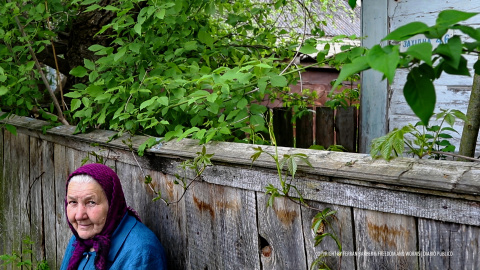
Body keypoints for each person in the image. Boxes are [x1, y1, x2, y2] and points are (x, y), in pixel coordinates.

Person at [60, 163, 167, 270]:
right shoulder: (80, 239)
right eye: (73, 202)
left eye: (91, 202)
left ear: (112, 204)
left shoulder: (141, 252)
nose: (79, 216)